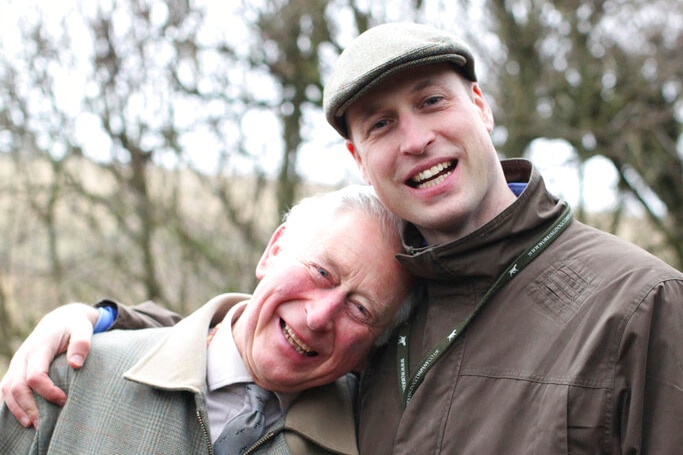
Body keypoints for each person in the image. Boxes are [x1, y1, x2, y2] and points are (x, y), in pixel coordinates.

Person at [4, 22, 683, 454]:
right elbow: (259, 353)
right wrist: (99, 326)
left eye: (431, 100)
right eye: (380, 124)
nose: (415, 139)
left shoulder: (639, 303)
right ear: (358, 158)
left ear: (479, 105)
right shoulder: (399, 303)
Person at [0, 185, 414, 454]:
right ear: (274, 251)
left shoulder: (371, 444)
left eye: (360, 309)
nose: (319, 316)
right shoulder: (72, 380)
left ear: (374, 344)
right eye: (322, 272)